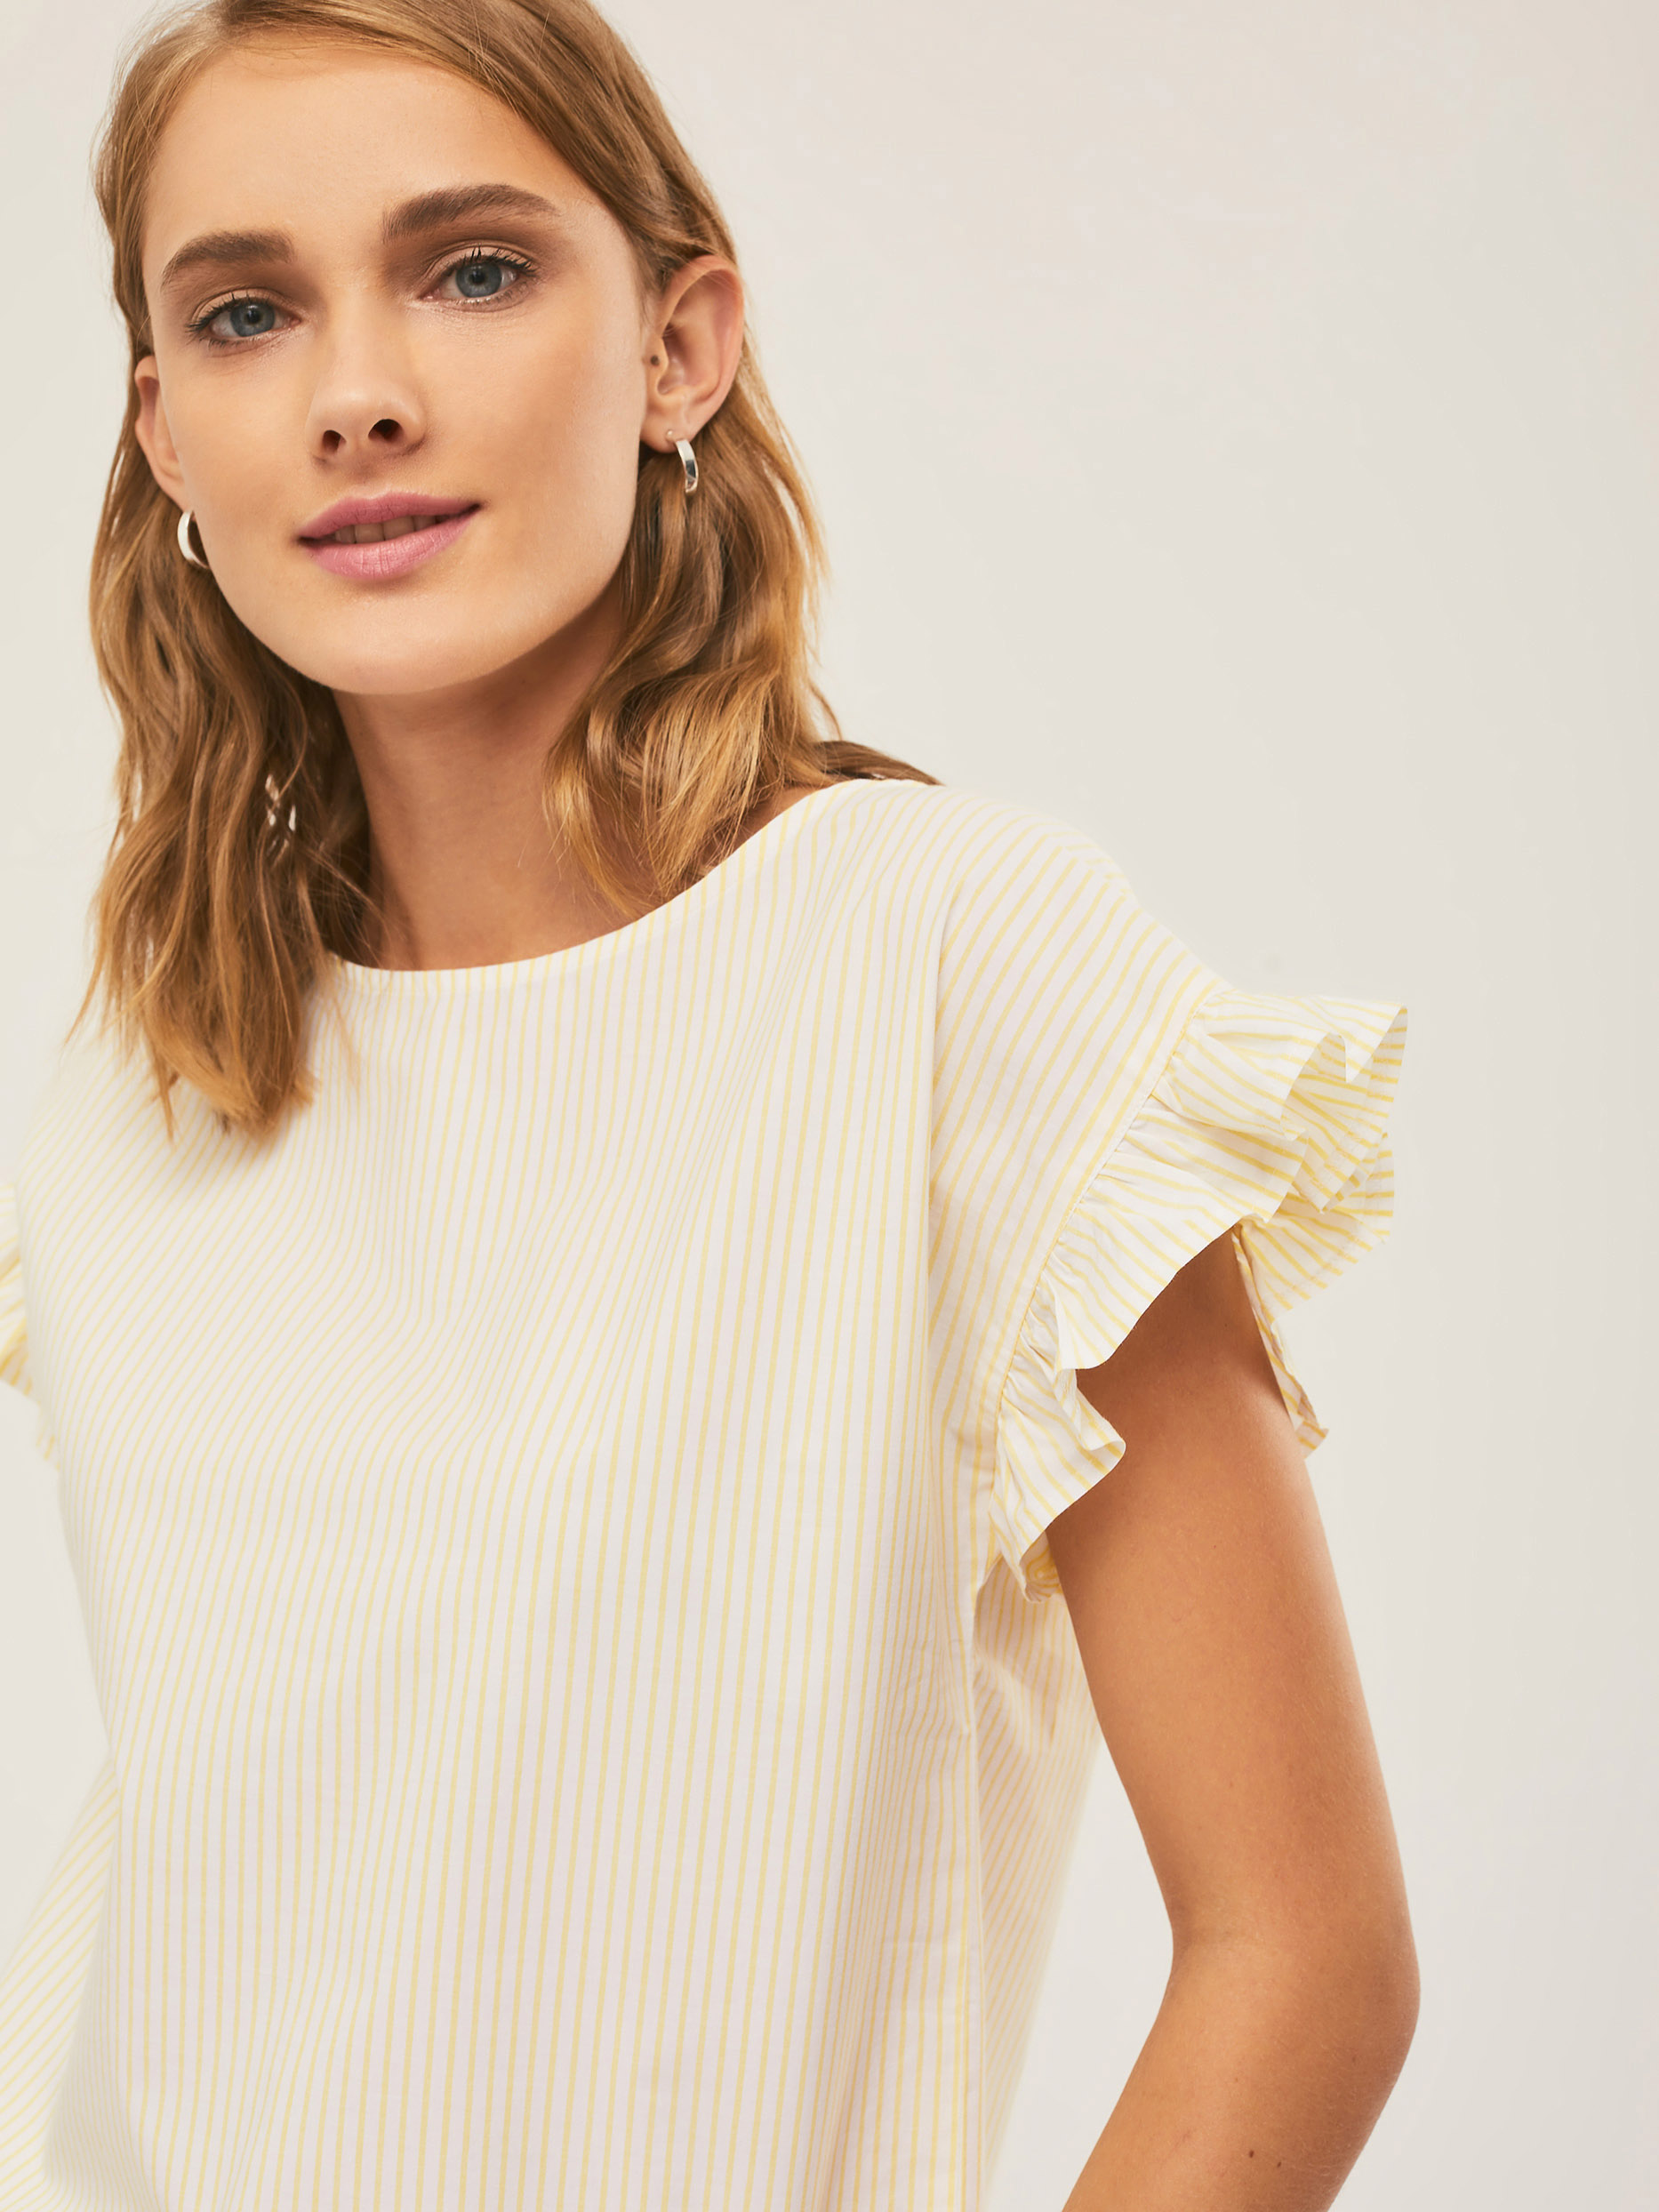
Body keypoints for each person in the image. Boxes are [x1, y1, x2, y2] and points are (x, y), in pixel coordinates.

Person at [0, 3, 1417, 2206]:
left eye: (472, 269)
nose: (356, 390)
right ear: (166, 427)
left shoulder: (948, 964)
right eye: (249, 311)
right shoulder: (149, 1059)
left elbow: (1303, 1952)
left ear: (680, 347)